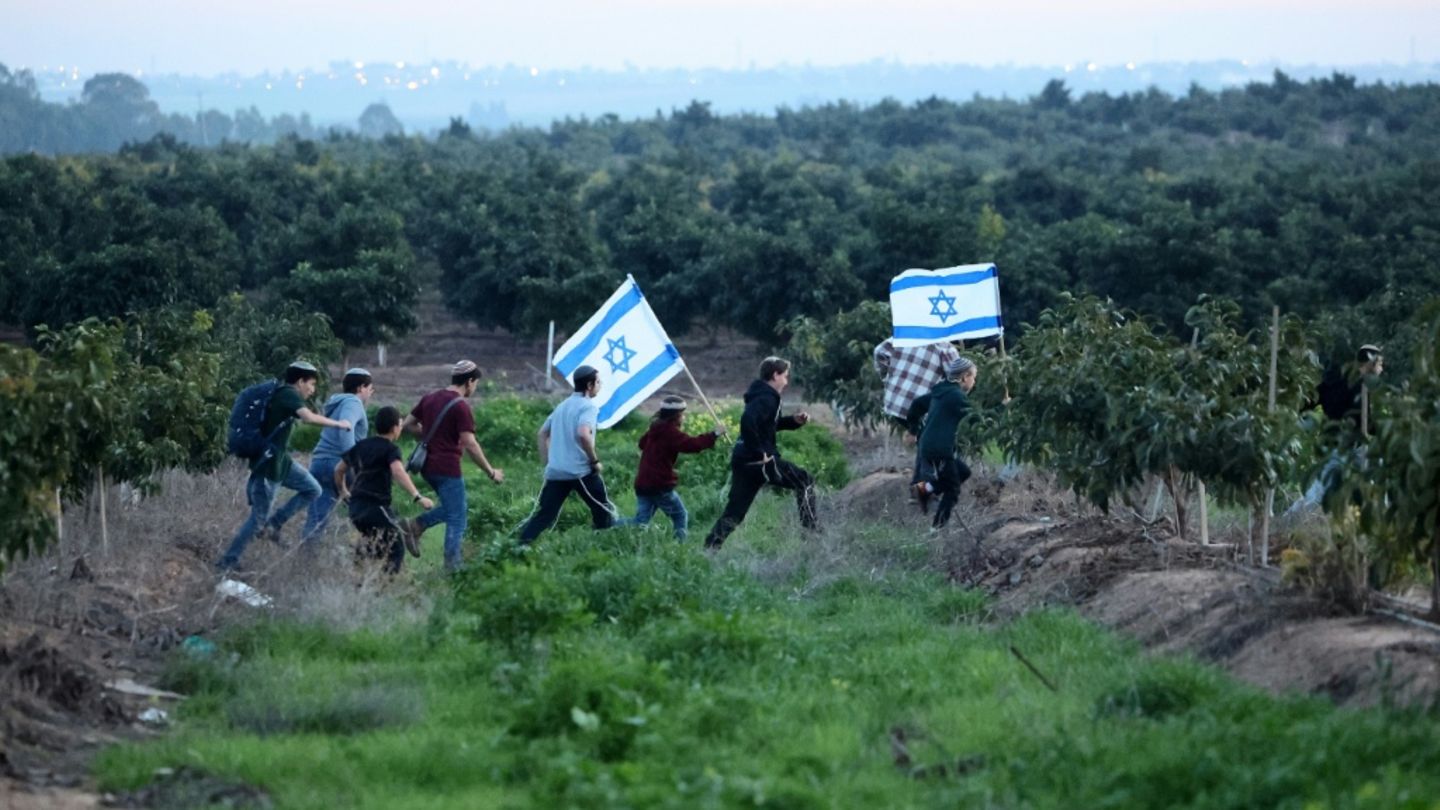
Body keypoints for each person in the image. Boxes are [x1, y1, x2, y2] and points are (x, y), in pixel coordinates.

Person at [218, 360, 352, 573]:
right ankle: (227, 562)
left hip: (282, 462)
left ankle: (275, 524)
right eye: (312, 384)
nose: (313, 389)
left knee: (313, 489)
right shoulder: (288, 394)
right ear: (300, 381)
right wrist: (339, 424)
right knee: (257, 520)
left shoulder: (284, 395)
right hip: (269, 466)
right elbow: (308, 418)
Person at [703, 357, 818, 549]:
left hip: (743, 460)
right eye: (785, 376)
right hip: (759, 461)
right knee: (805, 481)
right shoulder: (767, 397)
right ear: (775, 375)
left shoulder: (759, 395)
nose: (786, 382)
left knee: (735, 513)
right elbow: (748, 421)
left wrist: (794, 422)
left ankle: (709, 549)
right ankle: (811, 533)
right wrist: (759, 452)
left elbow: (768, 425)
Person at [403, 360, 504, 572]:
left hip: (426, 467)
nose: (474, 388)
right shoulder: (460, 407)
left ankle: (416, 526)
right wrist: (490, 471)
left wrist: (429, 437)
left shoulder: (430, 398)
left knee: (453, 510)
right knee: (457, 517)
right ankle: (453, 568)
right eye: (475, 383)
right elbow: (470, 444)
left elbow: (408, 423)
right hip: (447, 468)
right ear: (469, 381)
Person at [518, 365, 623, 543]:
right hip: (580, 471)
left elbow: (542, 433)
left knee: (545, 514)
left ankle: (521, 545)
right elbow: (583, 433)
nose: (600, 385)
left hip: (556, 471)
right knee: (602, 509)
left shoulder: (562, 406)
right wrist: (594, 460)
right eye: (598, 382)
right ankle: (602, 543)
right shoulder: (588, 407)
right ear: (590, 386)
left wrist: (548, 462)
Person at [334, 406, 434, 575]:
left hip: (355, 508)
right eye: (401, 425)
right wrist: (418, 497)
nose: (401, 429)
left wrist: (343, 491)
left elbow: (338, 470)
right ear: (395, 428)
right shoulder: (390, 449)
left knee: (374, 545)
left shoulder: (361, 445)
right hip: (375, 508)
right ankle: (383, 588)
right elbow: (398, 471)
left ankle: (358, 582)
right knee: (397, 547)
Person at [1291, 344, 1384, 511]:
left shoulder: (1339, 380)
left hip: (1349, 445)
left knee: (1375, 477)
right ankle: (1289, 519)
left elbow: (1311, 399)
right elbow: (1363, 420)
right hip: (1342, 446)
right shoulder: (1359, 386)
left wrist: (1300, 411)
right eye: (1379, 364)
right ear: (1370, 363)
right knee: (1320, 490)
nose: (1381, 369)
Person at [631, 396, 727, 540]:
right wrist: (715, 434)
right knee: (680, 515)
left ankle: (606, 524)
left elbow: (641, 444)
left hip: (643, 483)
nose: (684, 417)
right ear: (676, 416)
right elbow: (691, 445)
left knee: (640, 522)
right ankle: (679, 548)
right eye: (682, 413)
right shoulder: (669, 432)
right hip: (659, 484)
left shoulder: (656, 428)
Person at [874, 337, 960, 493]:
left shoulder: (904, 336)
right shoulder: (945, 348)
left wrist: (888, 377)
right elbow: (957, 376)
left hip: (897, 402)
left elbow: (879, 352)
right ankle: (924, 487)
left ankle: (921, 486)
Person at [302, 367, 374, 546]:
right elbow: (345, 429)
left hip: (320, 462)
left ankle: (305, 559)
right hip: (337, 464)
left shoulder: (339, 402)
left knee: (318, 516)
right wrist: (353, 464)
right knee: (369, 509)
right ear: (360, 388)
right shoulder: (353, 403)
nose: (371, 392)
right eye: (369, 388)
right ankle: (377, 551)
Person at [908, 357, 978, 530]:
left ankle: (925, 489)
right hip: (939, 449)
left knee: (963, 471)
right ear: (964, 377)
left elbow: (917, 405)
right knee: (953, 489)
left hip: (930, 446)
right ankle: (937, 530)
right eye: (973, 377)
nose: (974, 382)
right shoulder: (956, 396)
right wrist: (1003, 408)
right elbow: (975, 418)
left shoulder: (940, 392)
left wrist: (913, 429)